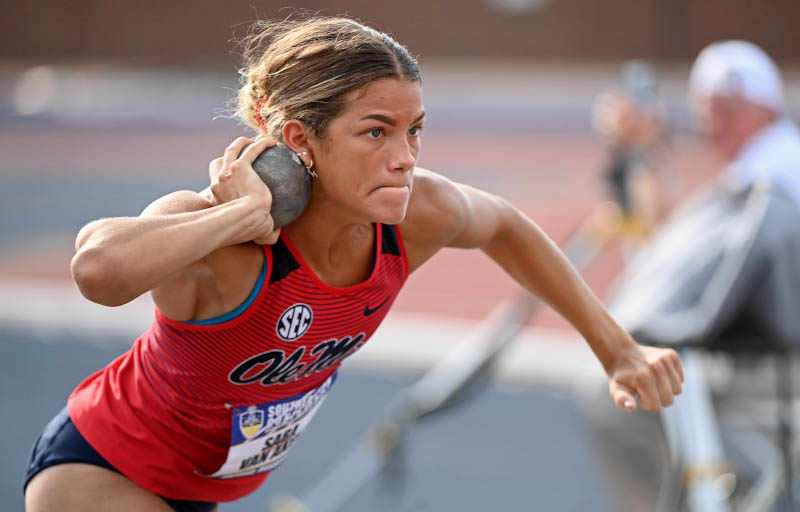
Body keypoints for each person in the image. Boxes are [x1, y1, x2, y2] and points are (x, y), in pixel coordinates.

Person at [23, 16, 683, 512]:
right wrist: (237, 217)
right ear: (298, 140)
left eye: (415, 129)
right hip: (103, 472)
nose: (405, 156)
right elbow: (96, 270)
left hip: (208, 490)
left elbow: (505, 226)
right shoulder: (219, 243)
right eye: (376, 131)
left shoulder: (415, 218)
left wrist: (616, 349)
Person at [583, 40, 800, 511]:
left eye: (730, 108)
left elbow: (672, 264)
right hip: (770, 353)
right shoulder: (774, 165)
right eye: (710, 108)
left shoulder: (766, 181)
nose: (716, 122)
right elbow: (677, 247)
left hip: (777, 362)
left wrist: (643, 154)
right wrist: (644, 156)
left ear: (765, 108)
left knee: (621, 395)